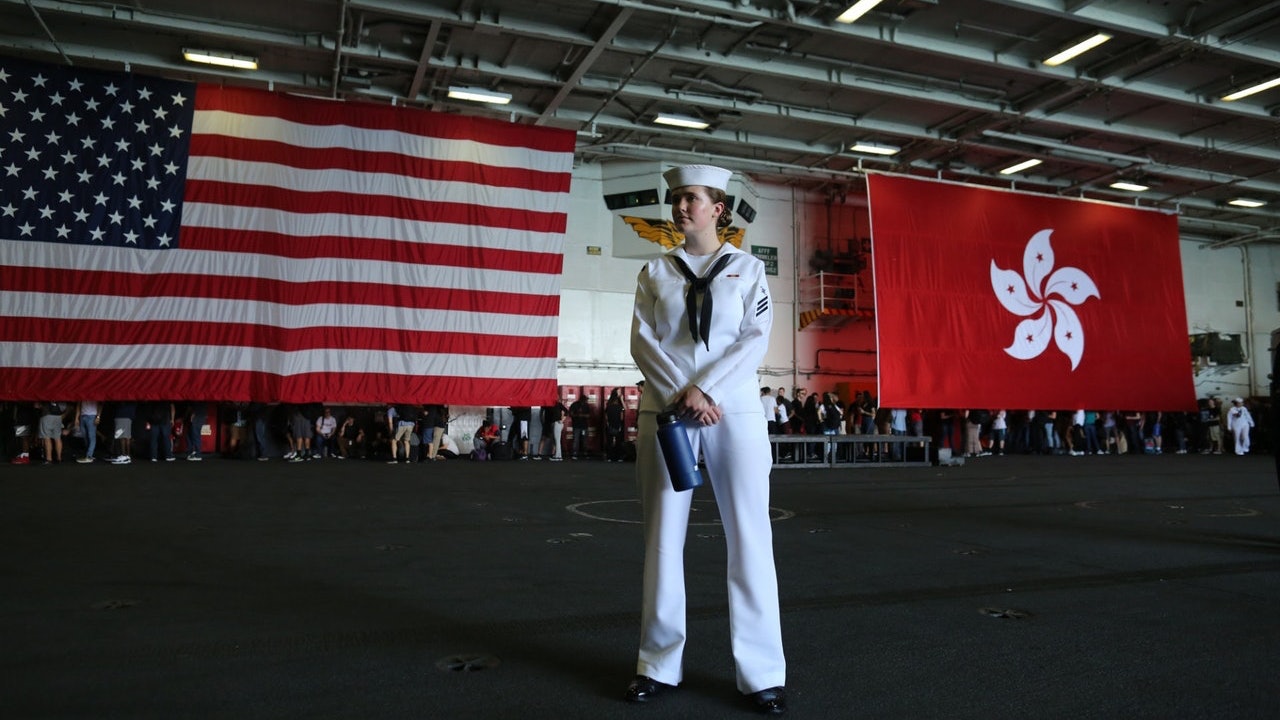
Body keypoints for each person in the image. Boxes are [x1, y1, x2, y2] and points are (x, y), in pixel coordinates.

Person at [625, 164, 786, 714]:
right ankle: (657, 664)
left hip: (733, 411)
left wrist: (708, 388)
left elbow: (755, 337)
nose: (680, 207)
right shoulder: (654, 271)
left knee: (751, 539)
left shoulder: (748, 269)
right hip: (668, 412)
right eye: (675, 199)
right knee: (663, 540)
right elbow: (642, 343)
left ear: (718, 208)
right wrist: (683, 392)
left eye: (691, 198)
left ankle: (762, 674)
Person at [540, 395, 568, 461]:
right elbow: (566, 411)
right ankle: (557, 455)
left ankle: (558, 456)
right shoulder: (555, 404)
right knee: (556, 440)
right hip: (554, 423)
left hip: (557, 423)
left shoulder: (558, 404)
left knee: (557, 440)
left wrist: (562, 420)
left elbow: (566, 411)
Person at [604, 390, 626, 462]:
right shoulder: (619, 407)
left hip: (610, 425)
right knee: (618, 442)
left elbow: (606, 417)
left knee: (609, 442)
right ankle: (618, 457)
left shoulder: (608, 406)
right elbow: (622, 416)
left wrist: (607, 424)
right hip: (618, 425)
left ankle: (609, 457)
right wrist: (622, 399)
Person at [569, 392, 592, 459]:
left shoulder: (586, 405)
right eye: (585, 400)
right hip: (577, 425)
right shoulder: (575, 405)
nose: (586, 401)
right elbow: (570, 414)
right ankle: (575, 453)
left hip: (583, 425)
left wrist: (581, 415)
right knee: (576, 440)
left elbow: (589, 415)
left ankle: (584, 453)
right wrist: (577, 415)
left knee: (584, 440)